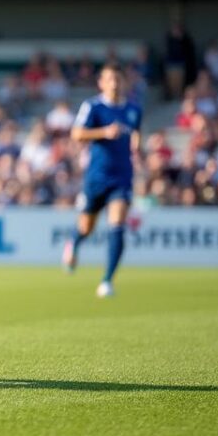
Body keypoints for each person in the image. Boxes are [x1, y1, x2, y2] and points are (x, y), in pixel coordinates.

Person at [62, 64, 142, 298]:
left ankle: (107, 280)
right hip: (96, 177)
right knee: (86, 227)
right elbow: (76, 134)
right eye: (110, 79)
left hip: (122, 177)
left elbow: (136, 131)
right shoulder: (93, 107)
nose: (115, 83)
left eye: (118, 78)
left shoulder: (133, 108)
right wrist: (104, 132)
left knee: (117, 224)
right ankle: (74, 242)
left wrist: (137, 145)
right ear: (101, 82)